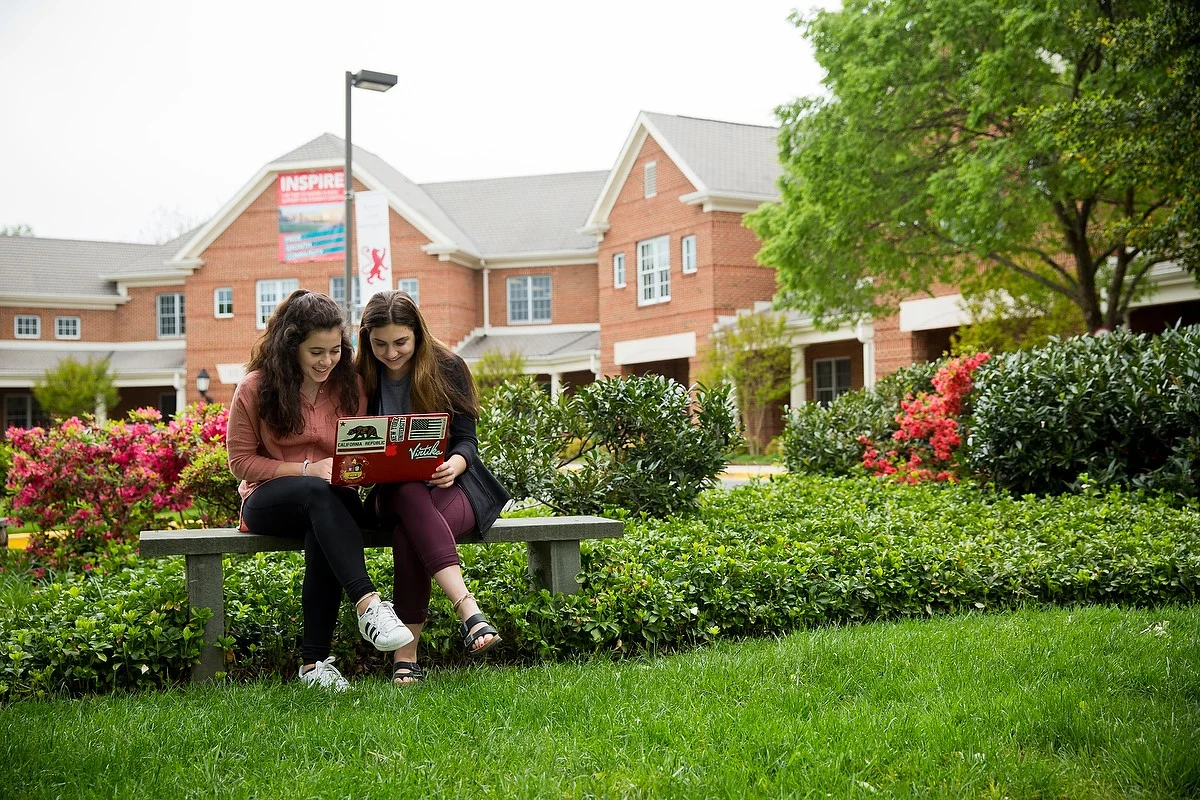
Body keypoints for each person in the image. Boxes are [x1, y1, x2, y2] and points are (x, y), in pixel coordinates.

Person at [227, 289, 414, 691]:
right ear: (290, 346)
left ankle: (312, 666)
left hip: (329, 501)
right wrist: (308, 469)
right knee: (317, 493)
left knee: (324, 519)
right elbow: (241, 463)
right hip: (267, 499)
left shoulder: (350, 385)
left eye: (334, 350)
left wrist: (364, 469)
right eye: (316, 352)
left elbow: (359, 452)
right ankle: (368, 604)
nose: (327, 361)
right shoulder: (255, 388)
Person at [356, 290, 510, 685]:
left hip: (448, 488)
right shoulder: (359, 376)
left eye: (401, 343)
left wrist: (454, 464)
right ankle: (468, 611)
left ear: (418, 335)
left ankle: (406, 658)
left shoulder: (447, 367)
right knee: (406, 491)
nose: (391, 353)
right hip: (387, 495)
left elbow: (467, 440)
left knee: (411, 532)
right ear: (366, 340)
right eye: (380, 344)